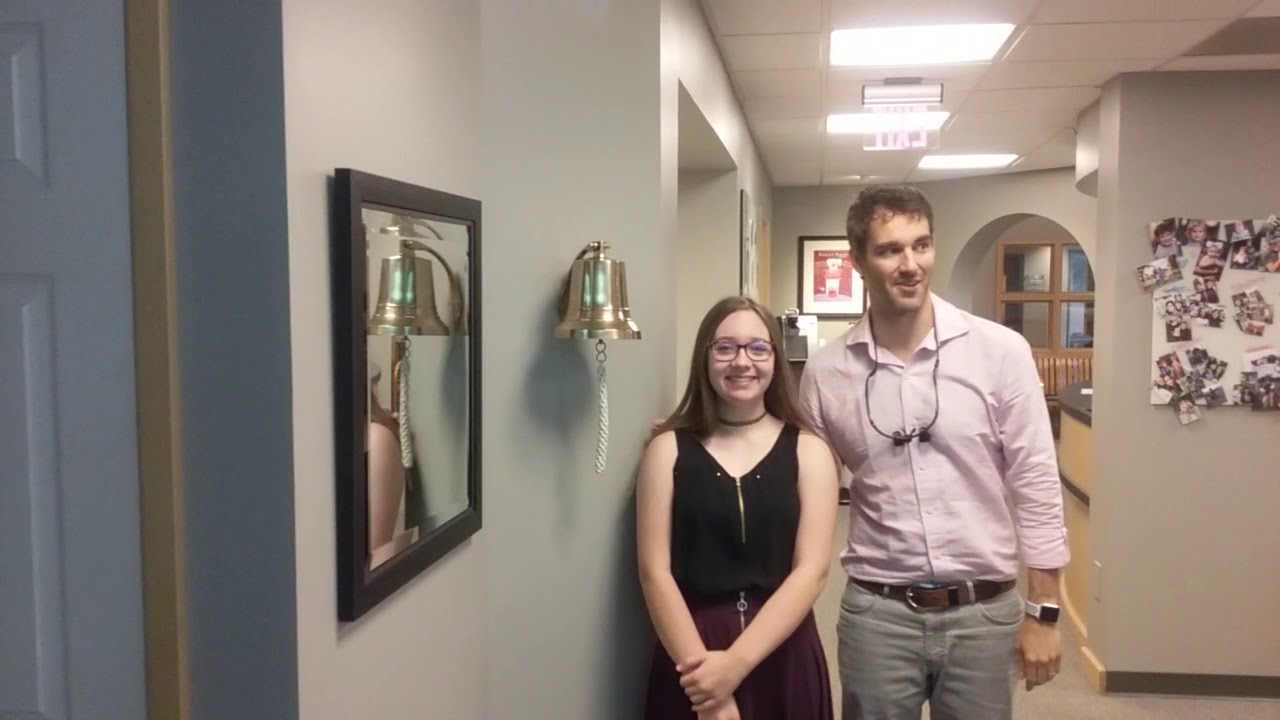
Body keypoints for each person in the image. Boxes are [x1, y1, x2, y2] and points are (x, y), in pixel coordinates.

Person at [798, 185, 1069, 720]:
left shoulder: (1000, 352)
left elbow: (1036, 482)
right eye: (889, 250)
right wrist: (694, 431)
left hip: (984, 614)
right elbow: (800, 486)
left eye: (921, 246)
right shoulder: (827, 374)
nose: (909, 264)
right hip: (879, 616)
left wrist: (1044, 612)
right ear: (857, 260)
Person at [637, 296, 839, 720]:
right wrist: (707, 689)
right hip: (693, 652)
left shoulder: (810, 451)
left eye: (757, 348)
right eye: (725, 347)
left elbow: (812, 572)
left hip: (783, 648)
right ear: (705, 357)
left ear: (775, 358)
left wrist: (735, 667)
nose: (741, 361)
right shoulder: (666, 451)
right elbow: (655, 573)